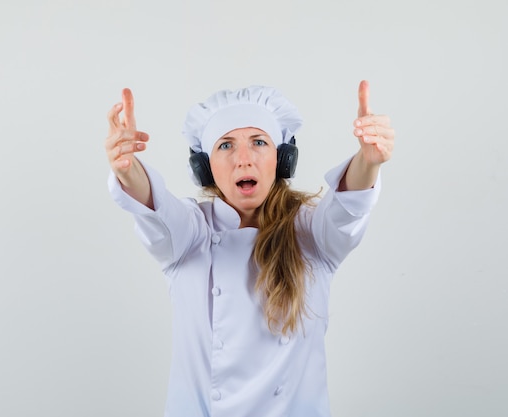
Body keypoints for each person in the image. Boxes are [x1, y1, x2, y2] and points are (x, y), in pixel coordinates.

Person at [104, 81, 394, 417]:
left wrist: (368, 161)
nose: (244, 159)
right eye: (226, 145)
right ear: (205, 166)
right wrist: (127, 169)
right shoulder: (189, 235)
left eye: (259, 142)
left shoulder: (312, 233)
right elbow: (155, 208)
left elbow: (347, 207)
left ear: (282, 159)